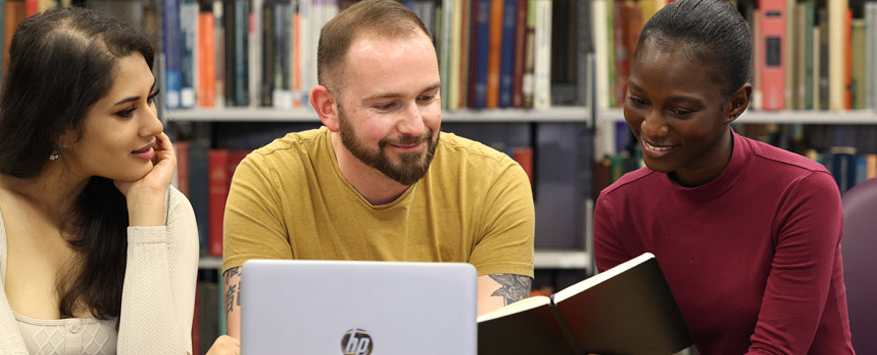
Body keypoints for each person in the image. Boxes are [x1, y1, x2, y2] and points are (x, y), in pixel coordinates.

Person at [206, 0, 535, 353]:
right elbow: (257, 344)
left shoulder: (494, 183)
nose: (415, 126)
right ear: (328, 108)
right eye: (387, 105)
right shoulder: (267, 179)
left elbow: (492, 347)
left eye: (427, 97)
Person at [0, 7, 198, 355]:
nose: (155, 126)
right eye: (126, 111)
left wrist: (147, 219)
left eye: (150, 99)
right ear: (59, 128)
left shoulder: (165, 210)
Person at [593, 0, 854, 354]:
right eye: (638, 100)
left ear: (736, 104)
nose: (651, 127)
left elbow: (776, 350)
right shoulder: (618, 207)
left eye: (680, 110)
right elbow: (633, 345)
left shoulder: (803, 191)